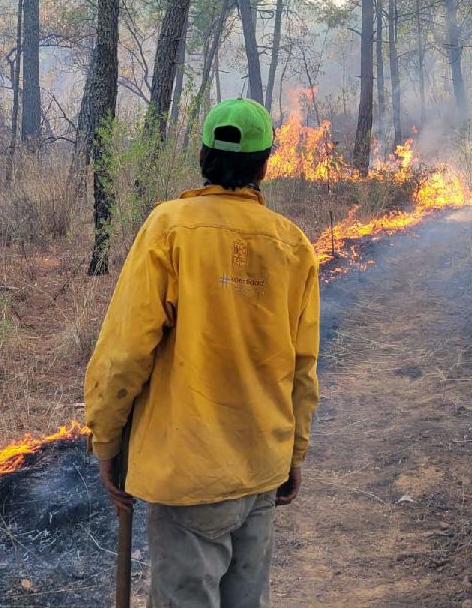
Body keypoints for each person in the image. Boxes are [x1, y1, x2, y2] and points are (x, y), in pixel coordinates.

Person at [85, 97, 321, 608]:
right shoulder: (294, 246)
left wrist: (105, 439)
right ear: (264, 165)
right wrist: (294, 452)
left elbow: (125, 352)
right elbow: (303, 369)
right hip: (260, 467)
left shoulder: (170, 228)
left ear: (204, 156)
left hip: (188, 476)